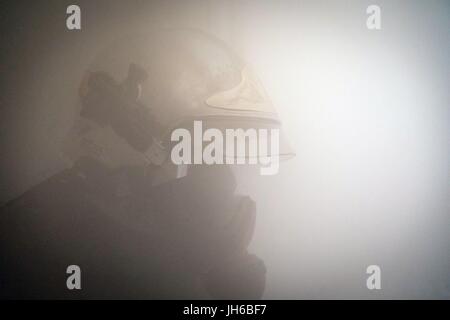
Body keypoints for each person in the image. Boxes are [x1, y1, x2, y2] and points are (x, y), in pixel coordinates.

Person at [0, 29, 287, 299]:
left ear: (252, 265)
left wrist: (142, 127)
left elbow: (192, 159)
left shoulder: (216, 215)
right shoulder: (191, 247)